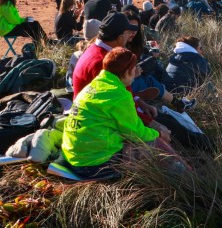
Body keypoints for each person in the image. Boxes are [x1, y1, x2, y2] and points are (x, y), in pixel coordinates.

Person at [62, 47, 169, 179]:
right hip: (93, 166)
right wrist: (158, 133)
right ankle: (184, 177)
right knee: (154, 144)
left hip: (72, 157)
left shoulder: (95, 85)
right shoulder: (119, 95)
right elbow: (136, 133)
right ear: (128, 72)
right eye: (134, 69)